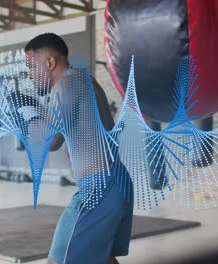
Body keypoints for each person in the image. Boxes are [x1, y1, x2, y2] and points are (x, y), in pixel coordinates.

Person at [24, 33, 133, 264]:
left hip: (98, 189)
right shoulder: (82, 81)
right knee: (103, 258)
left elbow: (50, 142)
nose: (30, 76)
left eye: (31, 68)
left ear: (50, 63)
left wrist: (25, 117)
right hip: (114, 181)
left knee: (58, 260)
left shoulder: (67, 83)